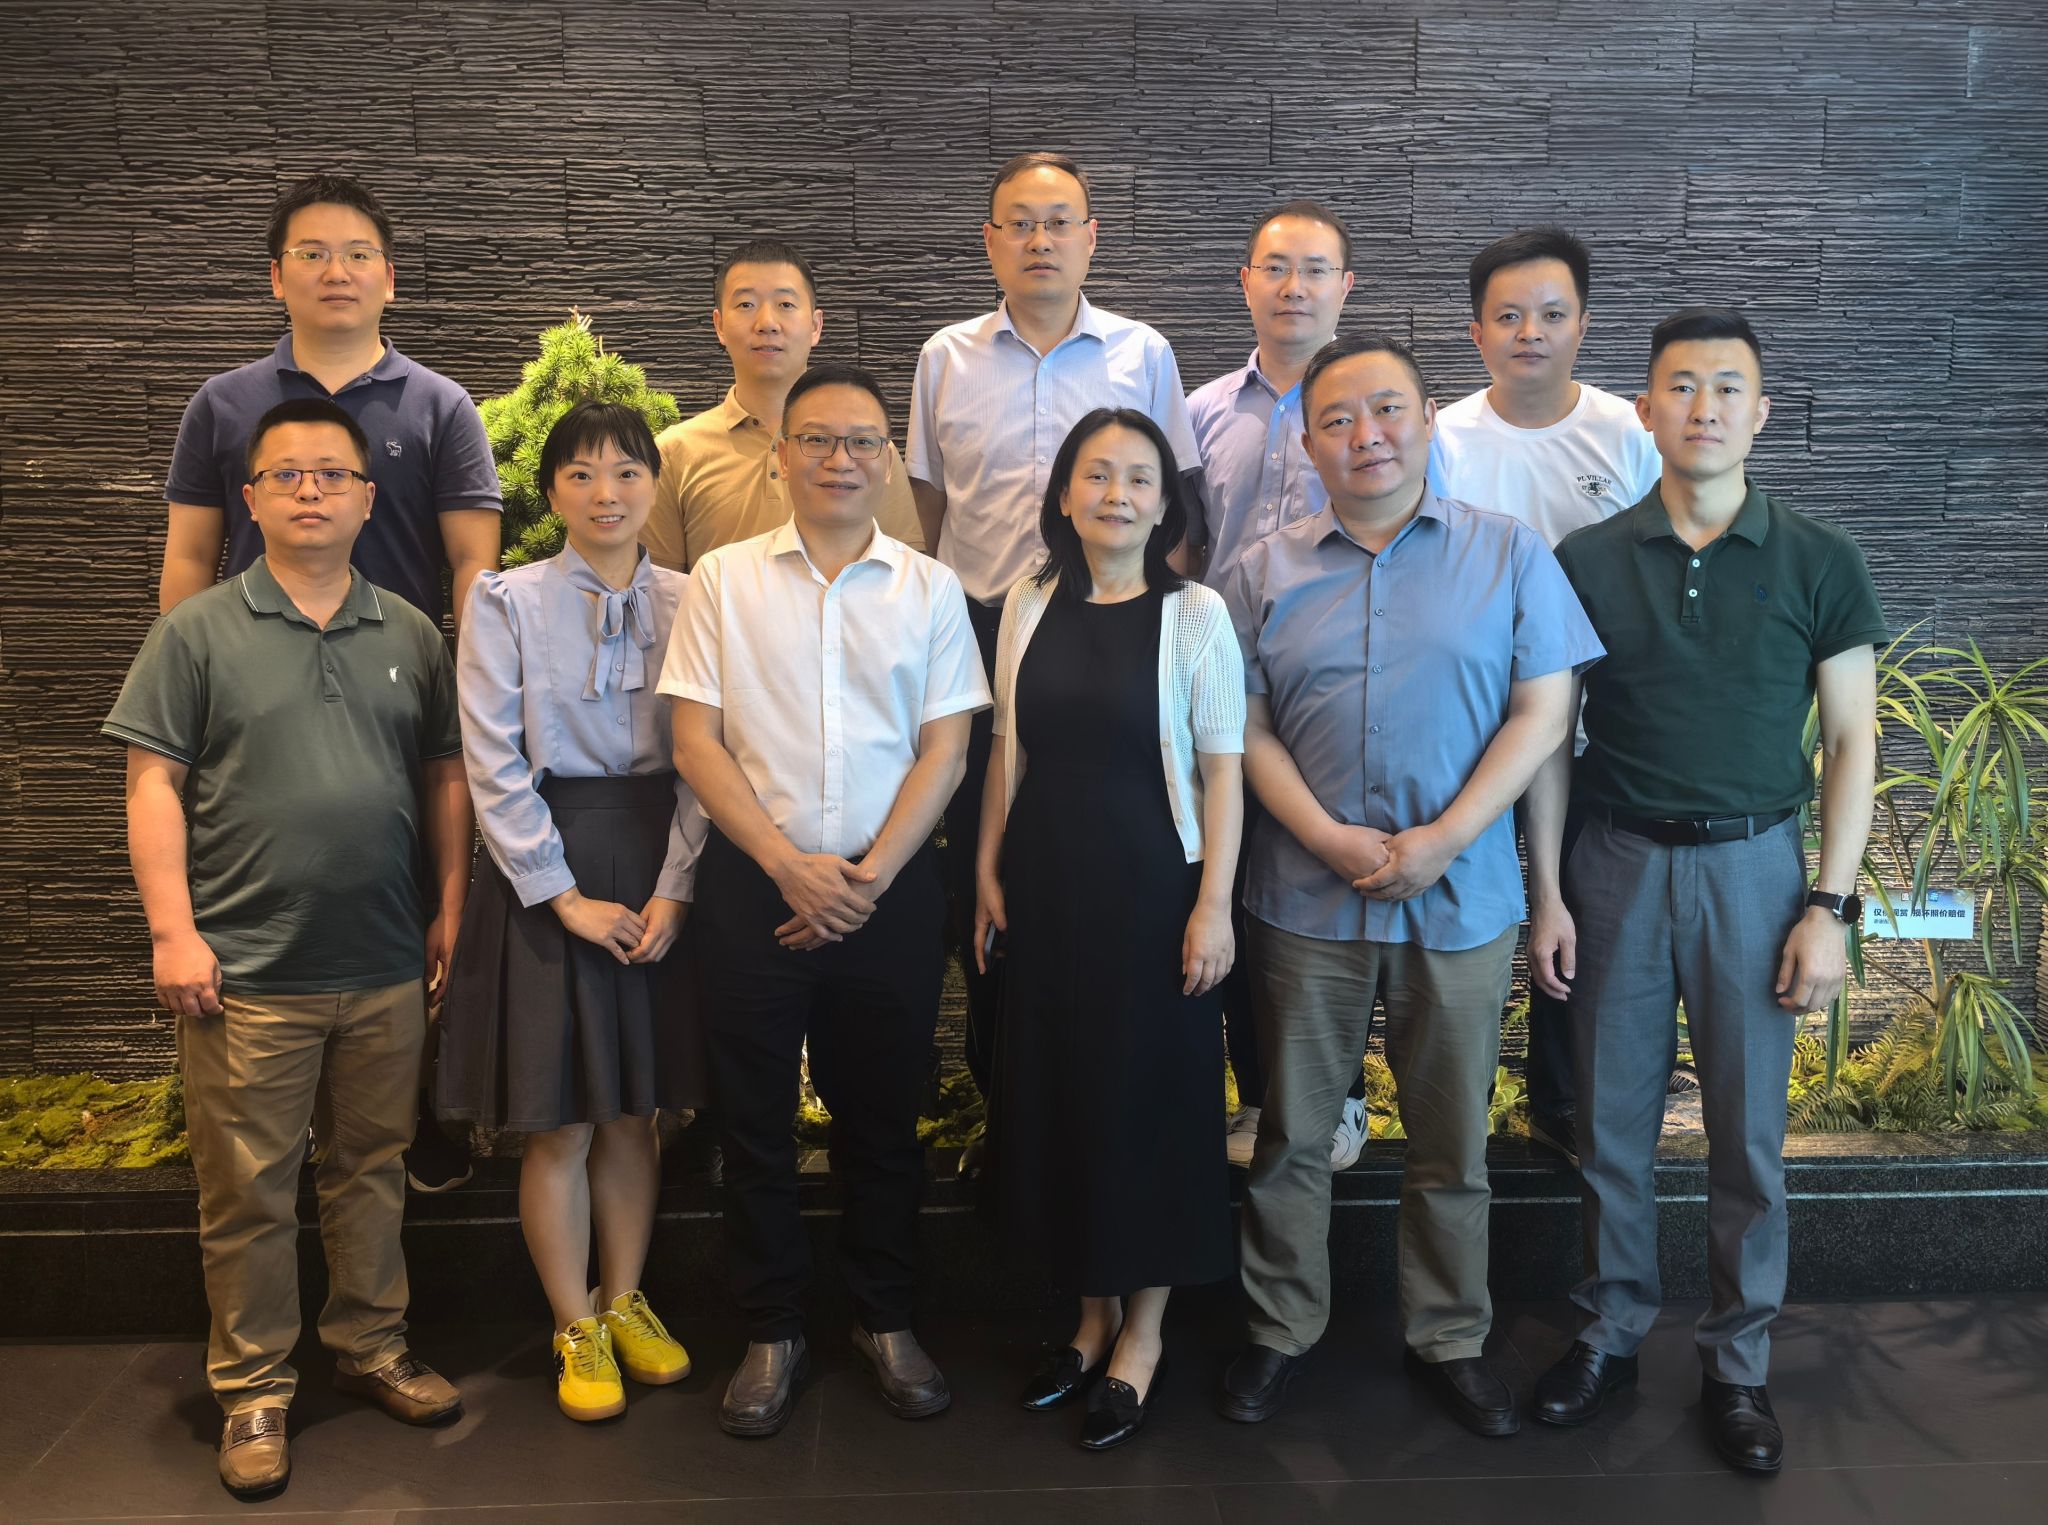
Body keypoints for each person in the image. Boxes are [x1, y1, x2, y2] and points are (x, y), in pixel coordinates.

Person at [1219, 336, 1601, 1439]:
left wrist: (1444, 839)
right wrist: (1326, 837)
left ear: (1429, 418)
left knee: (1450, 1141)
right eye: (1337, 419)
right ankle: (1278, 1327)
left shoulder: (1508, 552)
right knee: (1292, 1134)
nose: (1365, 435)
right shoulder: (1260, 569)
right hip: (1303, 899)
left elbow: (1543, 712)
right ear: (1307, 443)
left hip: (1462, 897)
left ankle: (1449, 1335)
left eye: (1387, 409)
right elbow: (1240, 728)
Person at [1526, 307, 1883, 1474]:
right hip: (1612, 863)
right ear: (1644, 409)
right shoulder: (1585, 558)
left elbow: (1851, 740)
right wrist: (1546, 892)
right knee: (1607, 1130)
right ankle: (1608, 1331)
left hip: (1754, 869)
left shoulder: (1818, 558)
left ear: (1758, 411)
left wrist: (1828, 907)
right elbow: (1547, 738)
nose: (1703, 407)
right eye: (1680, 386)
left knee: (1748, 1139)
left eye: (1727, 387)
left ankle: (1737, 1362)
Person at [104, 398, 472, 1499]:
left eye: (332, 474)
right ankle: (254, 1388)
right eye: (286, 474)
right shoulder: (196, 631)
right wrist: (172, 929)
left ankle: (370, 1345)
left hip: (384, 963)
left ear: (369, 498)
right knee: (247, 1192)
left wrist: (451, 906)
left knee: (371, 1170)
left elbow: (444, 778)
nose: (311, 490)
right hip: (245, 972)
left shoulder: (411, 632)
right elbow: (151, 783)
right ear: (251, 498)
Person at [158, 170, 503, 1194]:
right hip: (255, 688)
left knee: (410, 891)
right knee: (254, 880)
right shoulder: (224, 403)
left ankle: (415, 1108)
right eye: (311, 253)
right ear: (277, 277)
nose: (335, 271)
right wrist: (187, 683)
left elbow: (474, 564)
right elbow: (191, 558)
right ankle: (260, 1106)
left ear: (389, 277)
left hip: (399, 686)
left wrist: (468, 690)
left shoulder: (438, 405)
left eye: (357, 254)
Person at [662, 363, 990, 1438]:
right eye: (816, 440)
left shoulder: (929, 588)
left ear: (887, 460)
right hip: (751, 888)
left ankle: (884, 1315)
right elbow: (695, 741)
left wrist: (869, 876)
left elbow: (946, 748)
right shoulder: (721, 579)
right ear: (780, 457)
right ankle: (770, 1328)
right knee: (753, 1123)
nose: (838, 459)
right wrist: (786, 864)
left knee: (883, 1122)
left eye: (860, 442)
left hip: (887, 893)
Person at [907, 152, 1204, 1135]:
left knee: (1113, 841)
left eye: (1059, 221)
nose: (1040, 240)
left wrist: (1165, 622)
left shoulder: (1141, 353)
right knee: (980, 859)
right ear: (990, 240)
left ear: (1090, 238)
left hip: (1112, 621)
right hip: (978, 627)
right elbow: (924, 508)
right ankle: (1005, 1096)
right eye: (1020, 222)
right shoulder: (945, 356)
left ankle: (1113, 1091)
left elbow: (1172, 500)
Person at [974, 408, 1245, 1451]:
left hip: (1154, 893)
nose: (1117, 495)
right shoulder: (1027, 600)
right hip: (1046, 885)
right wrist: (987, 871)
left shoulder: (1196, 614)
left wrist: (1212, 905)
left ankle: (1144, 1333)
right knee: (1065, 1094)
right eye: (1097, 475)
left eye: (1139, 478)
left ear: (1164, 502)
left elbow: (1223, 772)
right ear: (1063, 493)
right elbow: (1007, 748)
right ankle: (1089, 1319)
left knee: (1149, 1102)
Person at [434, 400, 707, 1423]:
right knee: (560, 1122)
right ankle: (572, 1322)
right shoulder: (504, 601)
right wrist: (563, 897)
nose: (606, 493)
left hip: (661, 852)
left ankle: (625, 1297)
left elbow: (710, 753)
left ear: (654, 486)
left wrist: (677, 884)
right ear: (549, 491)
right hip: (548, 865)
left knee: (637, 1111)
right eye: (581, 474)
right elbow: (493, 762)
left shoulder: (696, 598)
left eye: (627, 472)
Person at [1428, 225, 1662, 1166]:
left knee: (1580, 911)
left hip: (1600, 723)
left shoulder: (1626, 434)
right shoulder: (1446, 438)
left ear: (1583, 325)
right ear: (1477, 331)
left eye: (1552, 315)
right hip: (1475, 723)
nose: (1531, 332)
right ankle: (1457, 1098)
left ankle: (1558, 1097)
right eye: (1509, 316)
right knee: (1476, 912)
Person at [1186, 198, 1366, 1173]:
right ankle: (1256, 1093)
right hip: (1221, 692)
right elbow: (1181, 550)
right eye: (1275, 268)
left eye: (1315, 269)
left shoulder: (1378, 411)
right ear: (1245, 283)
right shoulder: (1202, 412)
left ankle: (1340, 1096)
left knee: (1331, 891)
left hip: (1339, 689)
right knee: (1231, 887)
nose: (1294, 287)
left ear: (1346, 286)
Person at [644, 239, 923, 571]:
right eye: (746, 304)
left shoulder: (867, 450)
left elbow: (907, 575)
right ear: (719, 325)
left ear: (816, 326)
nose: (767, 322)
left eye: (786, 304)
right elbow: (663, 590)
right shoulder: (673, 453)